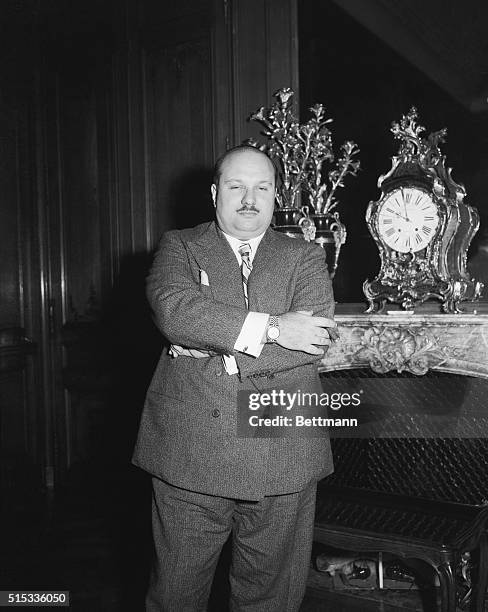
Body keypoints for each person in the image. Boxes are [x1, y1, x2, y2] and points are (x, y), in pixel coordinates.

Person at [132, 145, 337, 612]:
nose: (250, 198)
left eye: (262, 187)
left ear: (275, 194)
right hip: (189, 452)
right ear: (214, 192)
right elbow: (176, 312)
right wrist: (276, 327)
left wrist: (214, 344)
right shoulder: (180, 246)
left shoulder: (304, 255)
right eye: (236, 186)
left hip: (286, 447)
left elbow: (317, 336)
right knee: (175, 595)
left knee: (272, 598)